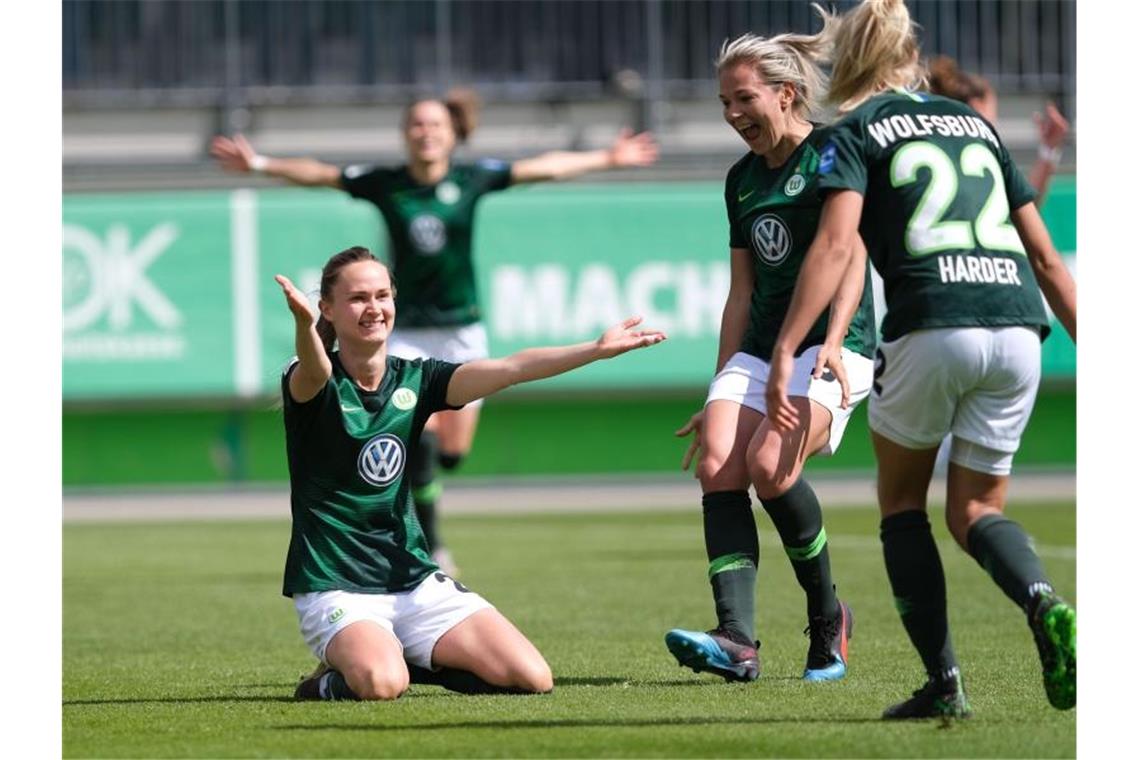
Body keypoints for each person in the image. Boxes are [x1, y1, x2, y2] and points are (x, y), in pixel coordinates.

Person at [764, 0, 1077, 720]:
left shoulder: (854, 130)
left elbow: (838, 247)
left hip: (933, 322)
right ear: (909, 52)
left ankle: (944, 683)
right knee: (975, 509)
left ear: (848, 58)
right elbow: (1046, 258)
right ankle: (1044, 601)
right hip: (1017, 327)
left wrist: (788, 347)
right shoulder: (976, 124)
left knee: (903, 504)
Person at [213, 90, 659, 576]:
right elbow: (321, 173)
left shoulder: (473, 178)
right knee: (413, 437)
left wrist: (608, 158)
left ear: (453, 134)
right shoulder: (387, 183)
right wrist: (257, 162)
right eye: (417, 125)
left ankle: (426, 492)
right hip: (399, 335)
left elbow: (543, 167)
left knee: (451, 452)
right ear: (406, 134)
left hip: (461, 329)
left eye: (436, 125)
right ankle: (427, 544)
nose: (426, 133)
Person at [276, 245, 665, 701]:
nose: (374, 308)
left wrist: (595, 350)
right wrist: (304, 327)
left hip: (413, 580)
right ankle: (328, 680)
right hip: (336, 586)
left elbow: (510, 369)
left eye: (383, 295)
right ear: (328, 308)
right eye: (359, 298)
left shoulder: (416, 378)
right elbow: (316, 368)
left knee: (531, 677)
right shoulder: (308, 380)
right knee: (381, 683)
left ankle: (413, 660)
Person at [665, 26, 877, 684]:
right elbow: (742, 291)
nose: (732, 115)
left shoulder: (836, 154)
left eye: (743, 99)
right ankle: (737, 640)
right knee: (719, 466)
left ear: (786, 94)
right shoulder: (741, 179)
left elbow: (851, 256)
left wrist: (836, 341)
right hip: (760, 348)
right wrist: (719, 390)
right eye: (724, 103)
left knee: (769, 466)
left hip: (832, 348)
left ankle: (827, 617)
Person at [927, 55, 1070, 203]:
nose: (996, 117)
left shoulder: (932, 149)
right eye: (993, 107)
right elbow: (1021, 215)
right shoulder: (982, 159)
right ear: (978, 107)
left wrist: (1048, 151)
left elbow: (1023, 208)